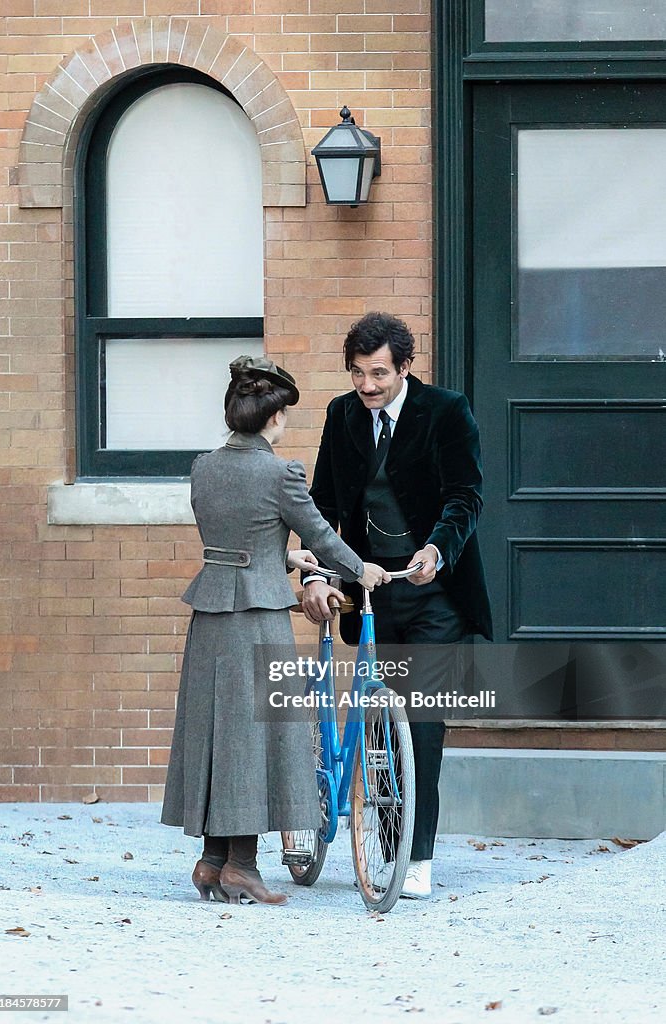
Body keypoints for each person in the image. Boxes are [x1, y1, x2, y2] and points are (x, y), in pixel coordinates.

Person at [160, 355, 389, 907]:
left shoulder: (204, 468)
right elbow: (324, 536)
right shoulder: (281, 473)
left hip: (211, 613)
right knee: (257, 735)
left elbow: (231, 542)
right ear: (275, 418)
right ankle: (241, 865)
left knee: (218, 733)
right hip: (258, 617)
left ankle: (212, 861)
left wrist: (284, 555)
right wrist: (364, 570)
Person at [301, 312, 492, 900]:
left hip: (433, 593)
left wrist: (440, 546)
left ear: (405, 366)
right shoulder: (341, 415)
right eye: (358, 374)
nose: (367, 386)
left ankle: (417, 855)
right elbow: (322, 504)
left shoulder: (446, 410)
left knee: (424, 725)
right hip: (370, 591)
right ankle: (385, 842)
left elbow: (466, 494)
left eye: (378, 373)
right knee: (376, 730)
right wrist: (315, 572)